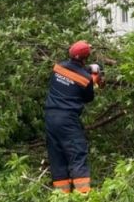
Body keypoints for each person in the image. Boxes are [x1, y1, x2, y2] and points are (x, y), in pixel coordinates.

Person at [43, 41, 104, 194]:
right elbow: (88, 98)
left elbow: (73, 72)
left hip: (50, 117)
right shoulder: (85, 79)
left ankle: (62, 198)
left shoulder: (58, 67)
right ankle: (83, 196)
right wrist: (93, 79)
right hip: (67, 119)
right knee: (77, 154)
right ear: (86, 57)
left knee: (57, 156)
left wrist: (88, 70)